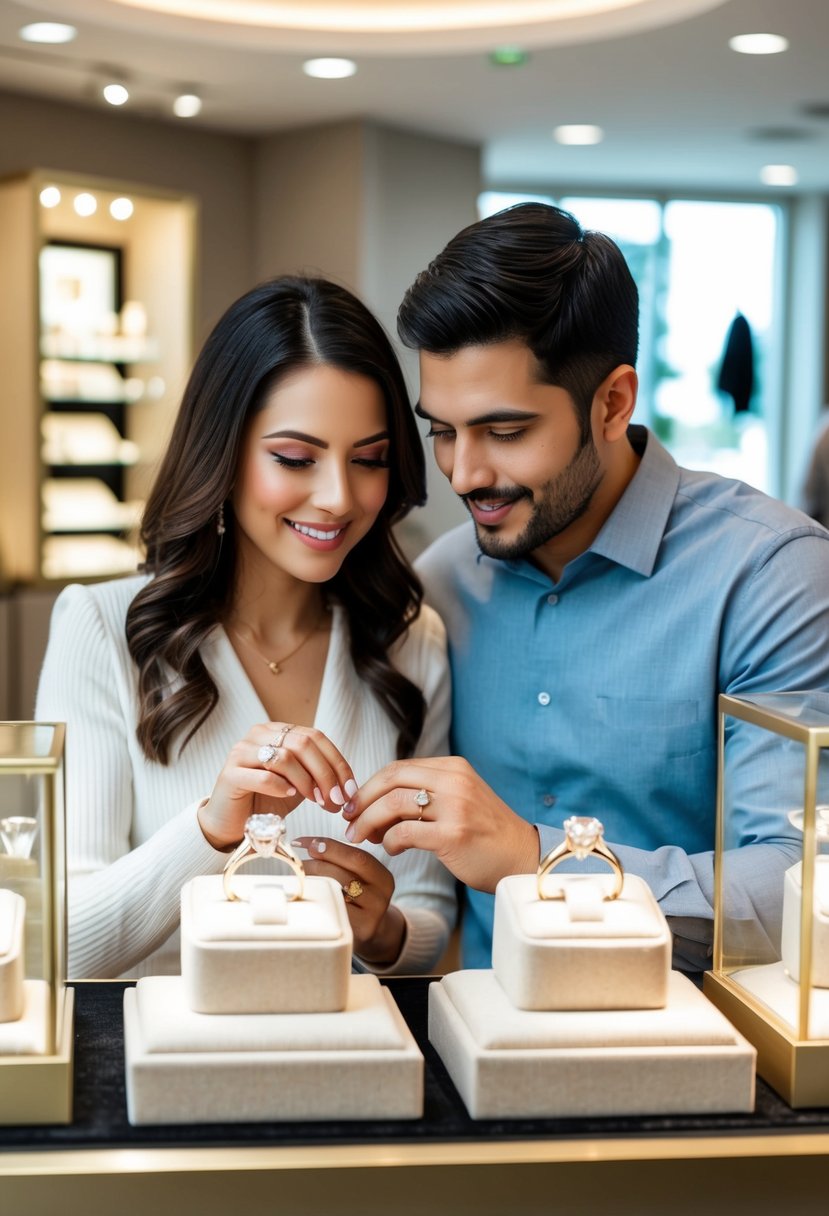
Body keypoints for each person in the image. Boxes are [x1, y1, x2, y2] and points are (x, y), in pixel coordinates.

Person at [340, 202, 829, 972]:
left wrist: (534, 859)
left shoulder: (769, 573)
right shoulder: (440, 584)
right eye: (441, 430)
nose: (464, 475)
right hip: (478, 1043)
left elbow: (803, 884)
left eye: (503, 433)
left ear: (612, 402)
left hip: (701, 1053)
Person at [35, 275, 455, 979]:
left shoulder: (411, 645)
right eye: (295, 458)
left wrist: (382, 932)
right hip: (157, 1068)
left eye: (369, 460)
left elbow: (427, 916)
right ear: (223, 453)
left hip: (350, 1058)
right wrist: (211, 828)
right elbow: (61, 946)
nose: (337, 498)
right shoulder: (102, 630)